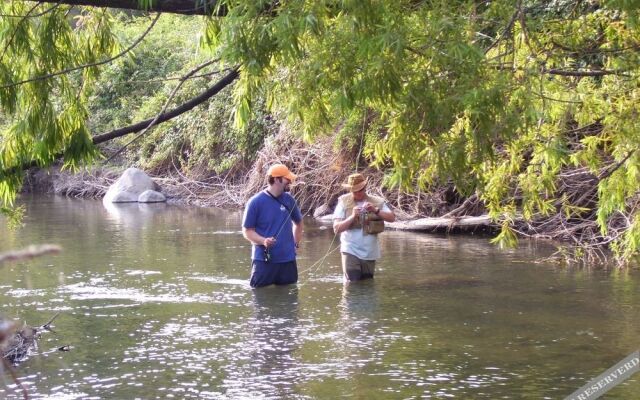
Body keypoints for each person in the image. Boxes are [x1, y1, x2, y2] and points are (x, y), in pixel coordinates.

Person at [242, 164, 303, 288]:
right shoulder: (255, 202)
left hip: (288, 261)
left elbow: (299, 223)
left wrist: (295, 244)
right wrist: (263, 241)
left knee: (290, 302)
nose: (290, 181)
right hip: (263, 262)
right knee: (260, 297)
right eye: (287, 179)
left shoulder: (289, 200)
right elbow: (247, 231)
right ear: (276, 179)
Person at [333, 173, 395, 281]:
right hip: (350, 250)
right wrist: (352, 216)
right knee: (352, 283)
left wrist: (376, 210)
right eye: (354, 191)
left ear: (365, 187)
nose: (357, 193)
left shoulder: (377, 201)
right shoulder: (343, 202)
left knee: (367, 284)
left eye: (360, 190)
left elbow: (392, 218)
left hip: (370, 252)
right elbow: (336, 228)